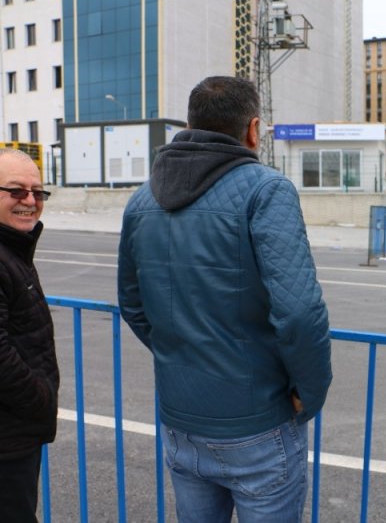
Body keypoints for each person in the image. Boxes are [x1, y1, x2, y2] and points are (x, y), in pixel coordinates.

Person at [118, 76, 332, 523]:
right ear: (253, 130)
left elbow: (134, 305)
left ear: (190, 126)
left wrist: (184, 353)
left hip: (181, 420)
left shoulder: (141, 200)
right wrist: (309, 393)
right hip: (258, 423)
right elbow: (298, 313)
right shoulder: (266, 189)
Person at [0, 149, 59, 523]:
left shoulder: (13, 247)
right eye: (16, 190)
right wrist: (39, 399)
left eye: (38, 192)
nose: (30, 200)